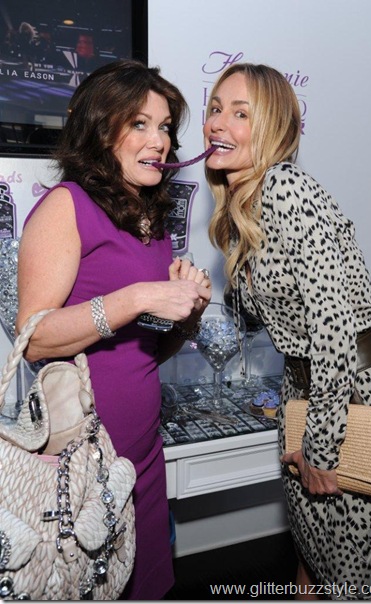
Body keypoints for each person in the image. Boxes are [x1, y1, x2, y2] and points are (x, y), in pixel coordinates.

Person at [16, 59, 212, 600]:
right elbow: (33, 337)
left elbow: (147, 351)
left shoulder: (151, 223)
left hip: (142, 455)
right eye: (139, 124)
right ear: (102, 131)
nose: (159, 141)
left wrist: (186, 314)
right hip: (80, 463)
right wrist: (137, 297)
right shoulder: (67, 206)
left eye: (165, 126)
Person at [203, 62, 371, 599]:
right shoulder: (242, 207)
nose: (218, 123)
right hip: (302, 390)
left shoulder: (286, 187)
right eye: (215, 109)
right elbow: (259, 314)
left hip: (349, 392)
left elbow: (334, 333)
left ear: (271, 127)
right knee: (312, 549)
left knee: (354, 572)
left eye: (240, 113)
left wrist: (322, 447)